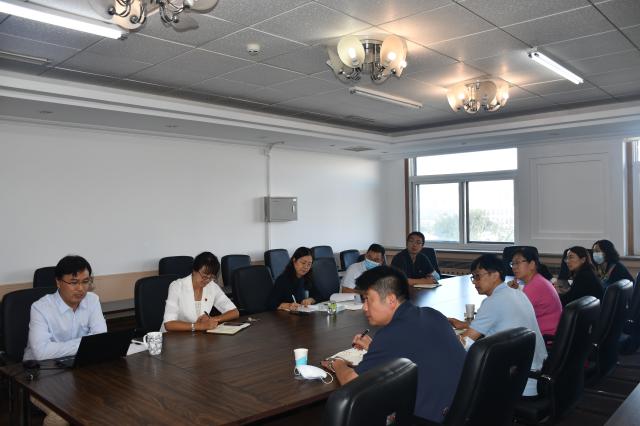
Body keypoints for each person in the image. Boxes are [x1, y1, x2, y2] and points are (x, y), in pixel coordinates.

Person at [321, 266, 465, 424]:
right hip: (462, 412)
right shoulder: (432, 314)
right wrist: (375, 347)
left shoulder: (391, 334)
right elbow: (414, 349)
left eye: (368, 299)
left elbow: (352, 383)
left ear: (391, 300)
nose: (364, 307)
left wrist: (337, 363)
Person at [23, 255, 107, 426]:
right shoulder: (40, 308)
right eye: (73, 282)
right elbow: (42, 352)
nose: (81, 288)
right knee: (62, 415)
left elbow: (100, 338)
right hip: (41, 372)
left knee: (112, 401)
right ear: (58, 282)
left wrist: (86, 346)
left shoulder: (92, 300)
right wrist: (85, 344)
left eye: (85, 282)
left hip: (80, 370)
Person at [448, 254, 547, 397]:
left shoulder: (493, 301)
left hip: (518, 381)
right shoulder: (518, 293)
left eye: (477, 276)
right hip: (536, 373)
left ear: (495, 275)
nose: (474, 282)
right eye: (473, 277)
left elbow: (465, 343)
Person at [162, 252, 239, 332]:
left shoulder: (212, 286)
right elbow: (169, 324)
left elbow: (234, 312)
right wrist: (199, 326)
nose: (207, 280)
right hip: (172, 336)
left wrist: (212, 319)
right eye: (204, 276)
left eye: (211, 277)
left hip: (196, 335)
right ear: (194, 270)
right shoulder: (177, 286)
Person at [509, 247, 562, 336]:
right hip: (546, 332)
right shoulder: (538, 280)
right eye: (512, 263)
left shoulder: (535, 286)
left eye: (517, 263)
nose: (514, 267)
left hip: (544, 337)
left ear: (532, 265)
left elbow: (512, 314)